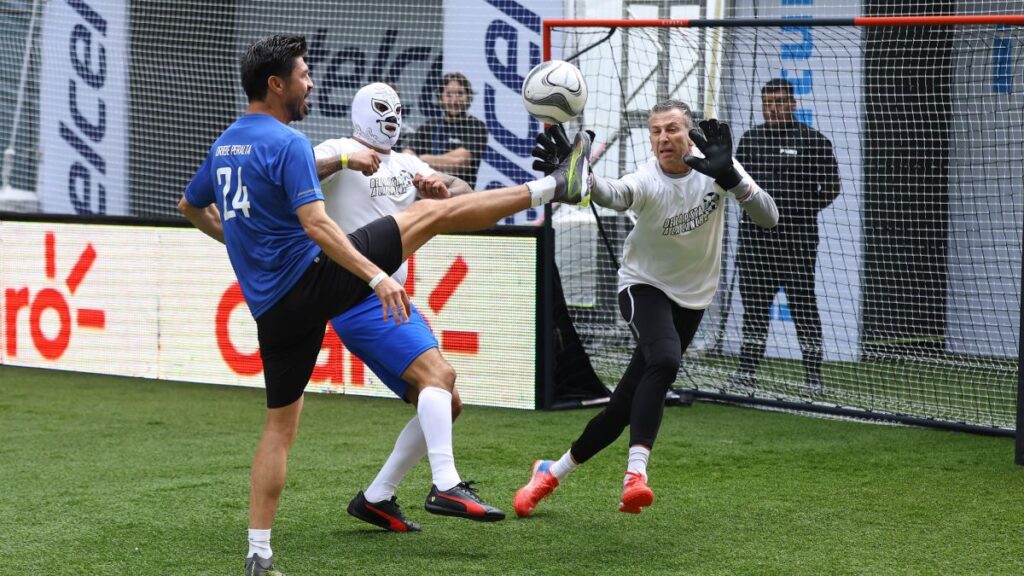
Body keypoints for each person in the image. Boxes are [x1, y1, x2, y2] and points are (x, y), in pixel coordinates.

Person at [176, 34, 591, 576]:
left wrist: (243, 246)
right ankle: (556, 186)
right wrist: (375, 277)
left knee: (280, 429)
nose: (311, 82)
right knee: (430, 224)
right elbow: (317, 224)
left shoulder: (226, 144)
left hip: (273, 311)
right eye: (303, 75)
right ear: (275, 84)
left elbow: (190, 204)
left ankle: (259, 554)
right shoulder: (292, 144)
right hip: (318, 281)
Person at [514, 100, 778, 518]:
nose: (663, 138)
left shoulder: (718, 167)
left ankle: (551, 471)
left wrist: (731, 177)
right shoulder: (648, 178)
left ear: (690, 131)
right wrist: (585, 177)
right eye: (655, 131)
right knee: (666, 358)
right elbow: (617, 194)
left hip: (693, 298)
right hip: (643, 286)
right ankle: (635, 475)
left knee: (621, 409)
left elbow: (770, 217)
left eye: (672, 128)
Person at [310, 81, 479, 534]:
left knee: (447, 400)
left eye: (398, 109)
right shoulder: (339, 148)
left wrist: (442, 184)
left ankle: (376, 498)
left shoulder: (405, 161)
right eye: (383, 109)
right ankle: (447, 483)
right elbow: (299, 169)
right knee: (439, 378)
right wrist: (346, 159)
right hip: (357, 294)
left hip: (391, 298)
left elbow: (465, 191)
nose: (391, 117)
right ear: (362, 111)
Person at [731, 78, 840, 395]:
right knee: (754, 309)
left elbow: (832, 187)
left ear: (793, 104)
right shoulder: (749, 140)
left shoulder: (814, 141)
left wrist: (803, 210)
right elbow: (735, 185)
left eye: (780, 101)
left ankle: (813, 379)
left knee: (804, 306)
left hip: (797, 241)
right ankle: (746, 375)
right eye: (768, 103)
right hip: (755, 242)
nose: (773, 108)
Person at [402, 72, 488, 188]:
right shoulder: (429, 126)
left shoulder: (476, 127)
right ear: (440, 97)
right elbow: (407, 155)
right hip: (427, 196)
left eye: (459, 94)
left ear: (468, 97)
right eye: (449, 94)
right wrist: (410, 160)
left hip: (460, 197)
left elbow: (459, 162)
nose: (454, 101)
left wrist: (421, 160)